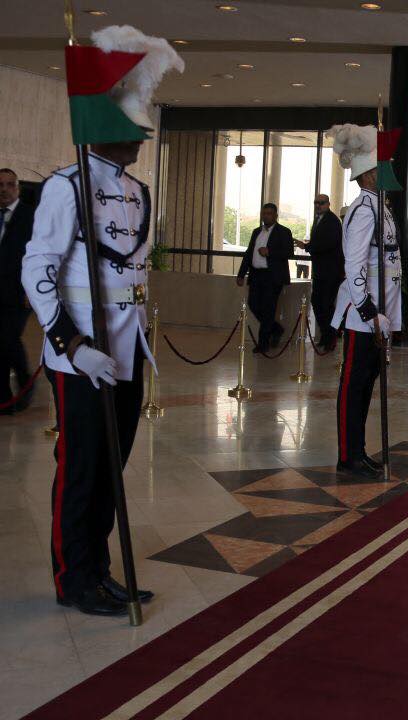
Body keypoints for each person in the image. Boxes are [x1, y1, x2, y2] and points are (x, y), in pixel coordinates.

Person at [21, 25, 182, 616]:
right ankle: (74, 576)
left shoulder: (135, 192)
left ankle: (100, 569)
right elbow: (37, 266)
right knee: (83, 468)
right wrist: (68, 339)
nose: (141, 144)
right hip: (82, 350)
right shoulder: (68, 188)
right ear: (108, 133)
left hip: (127, 346)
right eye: (133, 135)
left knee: (112, 469)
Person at [328, 124, 400, 479]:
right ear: (368, 174)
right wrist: (369, 310)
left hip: (377, 316)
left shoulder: (380, 208)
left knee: (367, 383)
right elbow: (354, 263)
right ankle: (348, 455)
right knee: (354, 385)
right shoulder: (363, 210)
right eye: (380, 168)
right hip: (362, 316)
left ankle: (358, 450)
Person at [0, 168, 35, 413]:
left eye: (9, 184)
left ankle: (25, 385)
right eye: (0, 185)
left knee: (7, 339)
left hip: (18, 293)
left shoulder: (31, 217)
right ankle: (3, 399)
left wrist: (31, 291)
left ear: (18, 188)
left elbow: (36, 256)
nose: (4, 189)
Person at [236, 203, 293, 353]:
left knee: (268, 309)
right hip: (256, 275)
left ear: (275, 216)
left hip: (272, 277)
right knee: (253, 304)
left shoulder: (284, 232)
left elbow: (289, 252)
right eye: (264, 213)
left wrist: (270, 252)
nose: (266, 216)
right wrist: (241, 274)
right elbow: (249, 254)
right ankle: (276, 329)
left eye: (269, 213)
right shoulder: (256, 232)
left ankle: (263, 343)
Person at [296, 194, 343, 351]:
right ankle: (326, 335)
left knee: (326, 304)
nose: (318, 205)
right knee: (317, 302)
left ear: (328, 204)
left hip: (331, 271)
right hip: (320, 271)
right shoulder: (318, 220)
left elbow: (329, 244)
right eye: (316, 203)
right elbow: (319, 242)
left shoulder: (333, 221)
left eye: (321, 203)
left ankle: (330, 338)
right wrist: (307, 245)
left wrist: (307, 247)